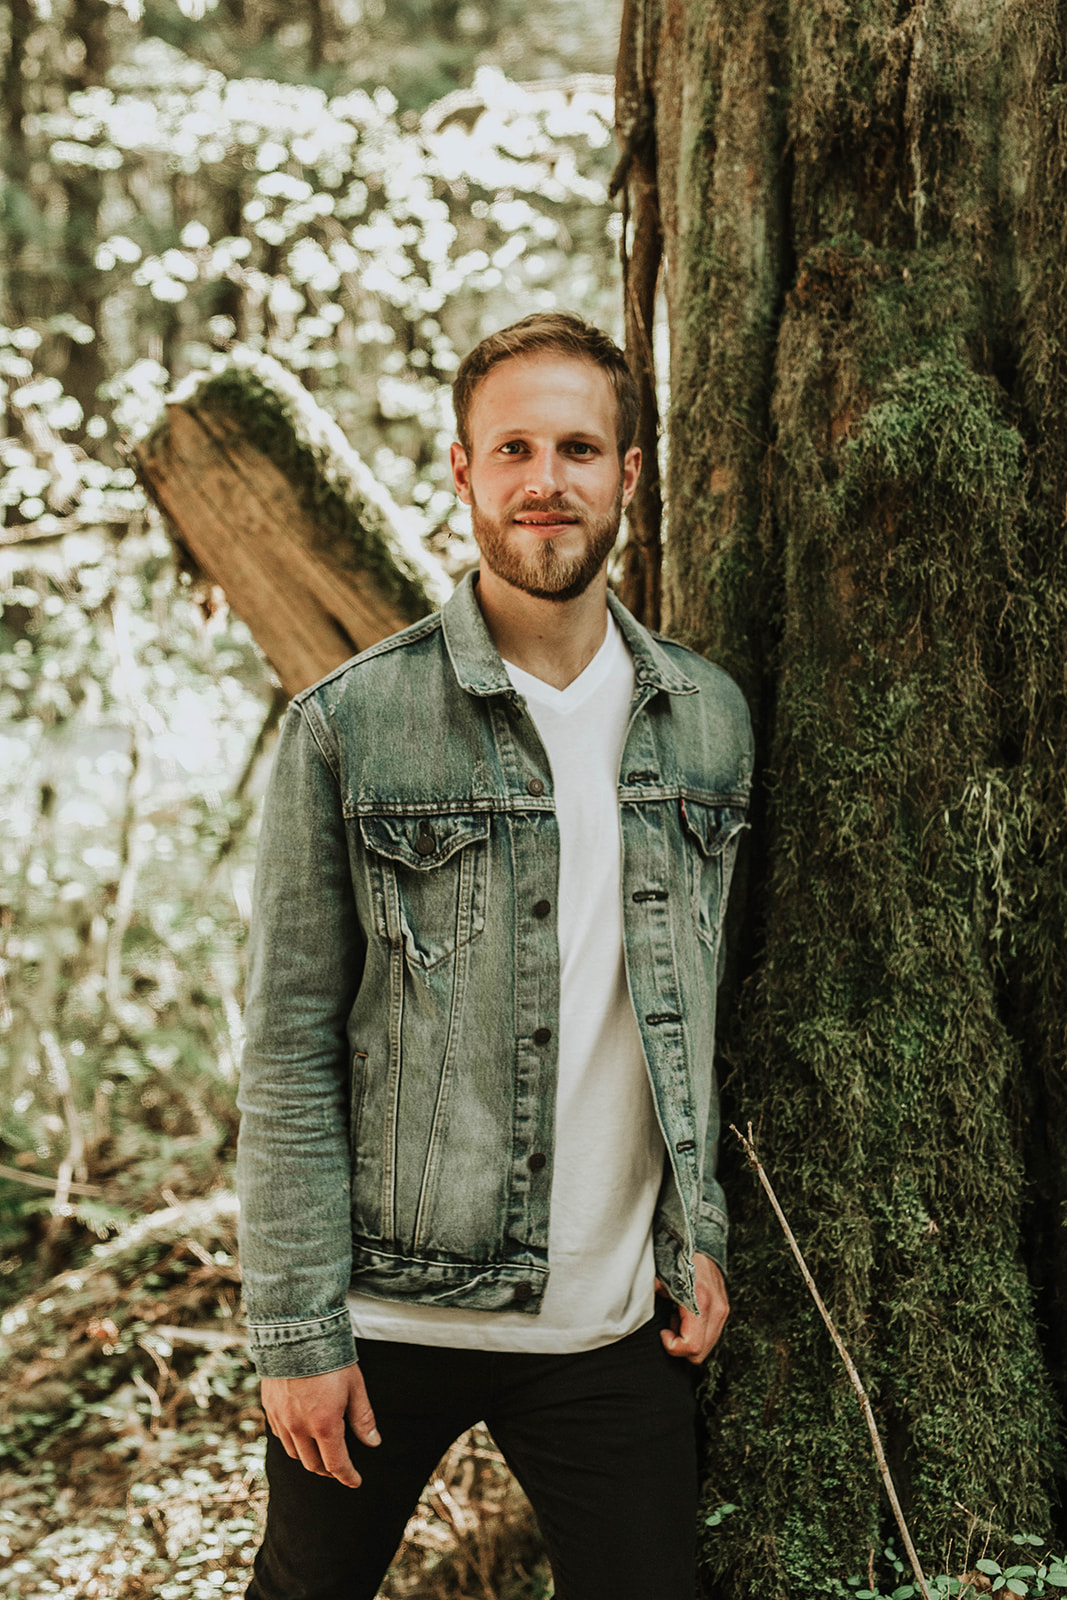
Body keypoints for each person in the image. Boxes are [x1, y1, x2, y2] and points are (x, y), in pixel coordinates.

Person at [236, 311, 753, 1600]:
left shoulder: (706, 722)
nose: (547, 480)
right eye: (512, 447)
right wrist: (295, 1327)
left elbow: (694, 1008)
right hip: (384, 1322)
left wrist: (702, 1230)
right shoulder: (351, 727)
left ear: (628, 474)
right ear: (463, 472)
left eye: (579, 447)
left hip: (611, 1327)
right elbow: (291, 1046)